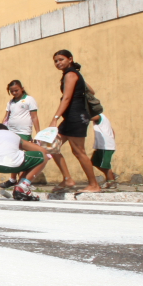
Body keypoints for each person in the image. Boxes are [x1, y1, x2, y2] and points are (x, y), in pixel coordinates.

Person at [48, 49, 101, 193]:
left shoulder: (71, 74)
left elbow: (66, 98)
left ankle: (94, 185)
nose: (58, 63)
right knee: (51, 145)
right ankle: (68, 179)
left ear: (70, 59)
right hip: (71, 117)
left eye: (61, 59)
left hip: (76, 117)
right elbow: (91, 91)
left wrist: (55, 119)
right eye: (56, 61)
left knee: (78, 151)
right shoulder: (73, 74)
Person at [0, 80, 40, 189]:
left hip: (24, 132)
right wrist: (2, 129)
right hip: (11, 132)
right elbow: (6, 116)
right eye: (12, 91)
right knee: (13, 154)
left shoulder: (29, 100)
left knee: (22, 156)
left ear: (22, 88)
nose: (14, 93)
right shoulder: (11, 102)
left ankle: (23, 180)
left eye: (16, 90)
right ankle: (13, 179)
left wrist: (38, 133)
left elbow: (34, 117)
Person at [91, 113, 117, 189]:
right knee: (94, 162)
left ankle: (111, 181)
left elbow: (92, 117)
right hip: (102, 145)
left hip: (105, 146)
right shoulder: (104, 120)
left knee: (105, 165)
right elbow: (113, 131)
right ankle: (111, 175)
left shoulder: (99, 116)